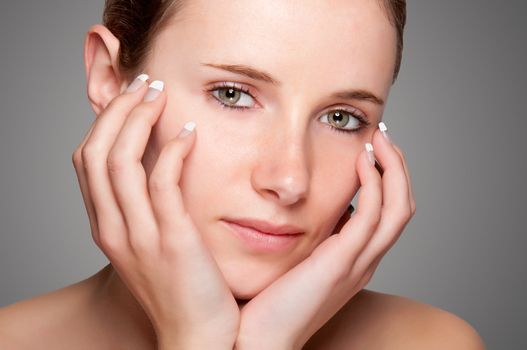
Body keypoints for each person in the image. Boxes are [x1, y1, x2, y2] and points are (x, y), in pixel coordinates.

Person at [0, 0, 486, 349]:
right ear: (110, 77)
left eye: (341, 117)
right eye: (232, 94)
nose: (290, 180)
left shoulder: (431, 343)